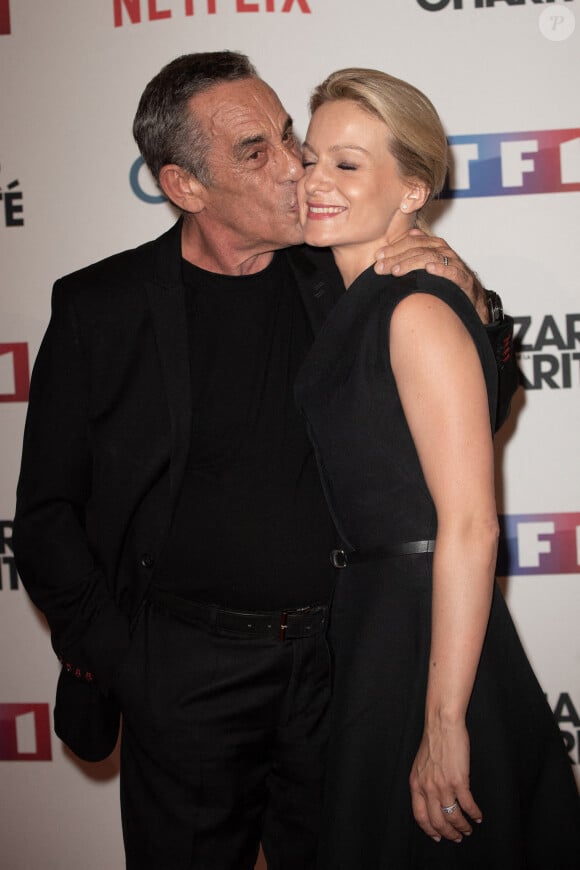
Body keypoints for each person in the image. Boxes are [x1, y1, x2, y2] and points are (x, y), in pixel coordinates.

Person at [13, 52, 516, 870]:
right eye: (258, 152)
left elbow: (463, 425)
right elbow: (44, 519)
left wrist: (474, 304)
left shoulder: (344, 272)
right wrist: (132, 664)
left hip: (341, 667)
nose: (296, 168)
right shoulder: (99, 307)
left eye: (289, 135)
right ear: (184, 186)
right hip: (183, 676)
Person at [294, 67, 580, 869]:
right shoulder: (349, 300)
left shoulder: (416, 310)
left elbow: (469, 523)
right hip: (373, 625)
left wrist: (445, 721)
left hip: (425, 632)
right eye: (311, 158)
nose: (316, 180)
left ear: (413, 190)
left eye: (348, 164)